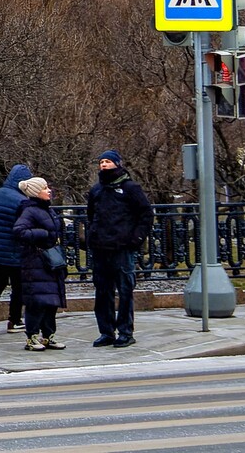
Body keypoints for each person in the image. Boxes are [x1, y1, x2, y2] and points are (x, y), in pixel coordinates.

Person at [86, 149, 153, 348]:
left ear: (117, 163)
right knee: (102, 292)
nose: (104, 165)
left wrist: (136, 239)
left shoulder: (130, 188)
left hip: (122, 248)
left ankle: (125, 331)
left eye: (107, 161)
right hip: (101, 248)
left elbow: (146, 214)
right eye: (101, 162)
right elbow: (91, 215)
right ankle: (106, 332)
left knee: (125, 291)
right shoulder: (96, 190)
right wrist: (93, 234)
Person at [12, 176, 67, 352]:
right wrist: (42, 234)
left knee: (51, 301)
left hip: (50, 262)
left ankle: (48, 335)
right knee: (37, 302)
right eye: (45, 188)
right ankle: (32, 336)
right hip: (36, 262)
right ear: (36, 192)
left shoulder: (46, 209)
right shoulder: (30, 211)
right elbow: (19, 231)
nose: (49, 190)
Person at [0, 164, 34, 332]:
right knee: (18, 286)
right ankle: (14, 320)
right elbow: (23, 226)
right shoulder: (22, 200)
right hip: (15, 250)